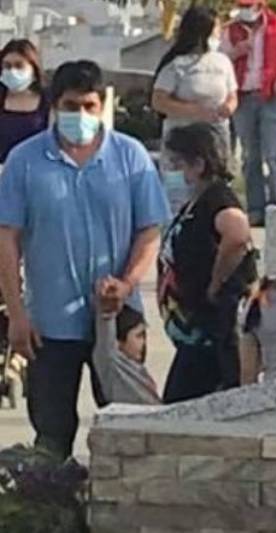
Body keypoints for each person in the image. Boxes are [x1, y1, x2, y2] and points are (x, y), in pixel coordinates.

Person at [0, 60, 170, 458]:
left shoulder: (130, 158)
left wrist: (127, 283)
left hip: (117, 321)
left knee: (129, 432)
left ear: (102, 105)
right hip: (48, 324)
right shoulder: (25, 162)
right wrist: (16, 315)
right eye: (72, 106)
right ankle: (50, 511)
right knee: (52, 435)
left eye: (90, 106)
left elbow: (149, 230)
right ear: (55, 106)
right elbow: (6, 238)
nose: (81, 115)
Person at [158, 123, 257, 403]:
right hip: (193, 330)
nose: (171, 170)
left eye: (177, 163)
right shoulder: (196, 201)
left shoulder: (216, 198)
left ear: (198, 164)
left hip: (210, 331)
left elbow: (237, 234)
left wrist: (216, 281)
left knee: (179, 406)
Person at [221, 0, 276, 227]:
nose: (245, 8)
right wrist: (236, 52)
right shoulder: (231, 29)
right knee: (250, 156)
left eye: (249, 4)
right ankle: (256, 210)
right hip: (243, 97)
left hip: (270, 97)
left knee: (274, 155)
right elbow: (220, 60)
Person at [153, 5, 238, 213]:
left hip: (215, 138)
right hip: (182, 139)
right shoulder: (176, 65)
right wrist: (194, 111)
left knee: (214, 191)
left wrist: (228, 107)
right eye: (216, 29)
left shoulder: (223, 62)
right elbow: (159, 101)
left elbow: (232, 94)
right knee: (178, 193)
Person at [91, 297, 161, 405]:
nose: (143, 343)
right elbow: (106, 332)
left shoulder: (138, 368)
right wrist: (108, 306)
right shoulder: (112, 363)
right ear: (118, 342)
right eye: (138, 336)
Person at [0, 39, 50, 164]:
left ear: (33, 68)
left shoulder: (48, 100)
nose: (12, 72)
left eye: (19, 65)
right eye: (7, 66)